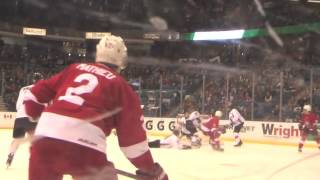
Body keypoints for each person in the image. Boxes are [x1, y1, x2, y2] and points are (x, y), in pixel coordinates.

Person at [24, 34, 168, 180]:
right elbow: (133, 144)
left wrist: (40, 128)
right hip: (86, 147)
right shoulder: (121, 86)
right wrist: (151, 170)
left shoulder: (74, 69)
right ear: (122, 61)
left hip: (44, 138)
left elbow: (31, 97)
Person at [6, 72, 43, 168]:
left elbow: (18, 104)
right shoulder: (42, 88)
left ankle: (10, 155)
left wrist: (20, 113)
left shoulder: (23, 89)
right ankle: (33, 160)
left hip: (20, 116)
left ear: (33, 80)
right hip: (33, 116)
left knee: (17, 139)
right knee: (34, 140)